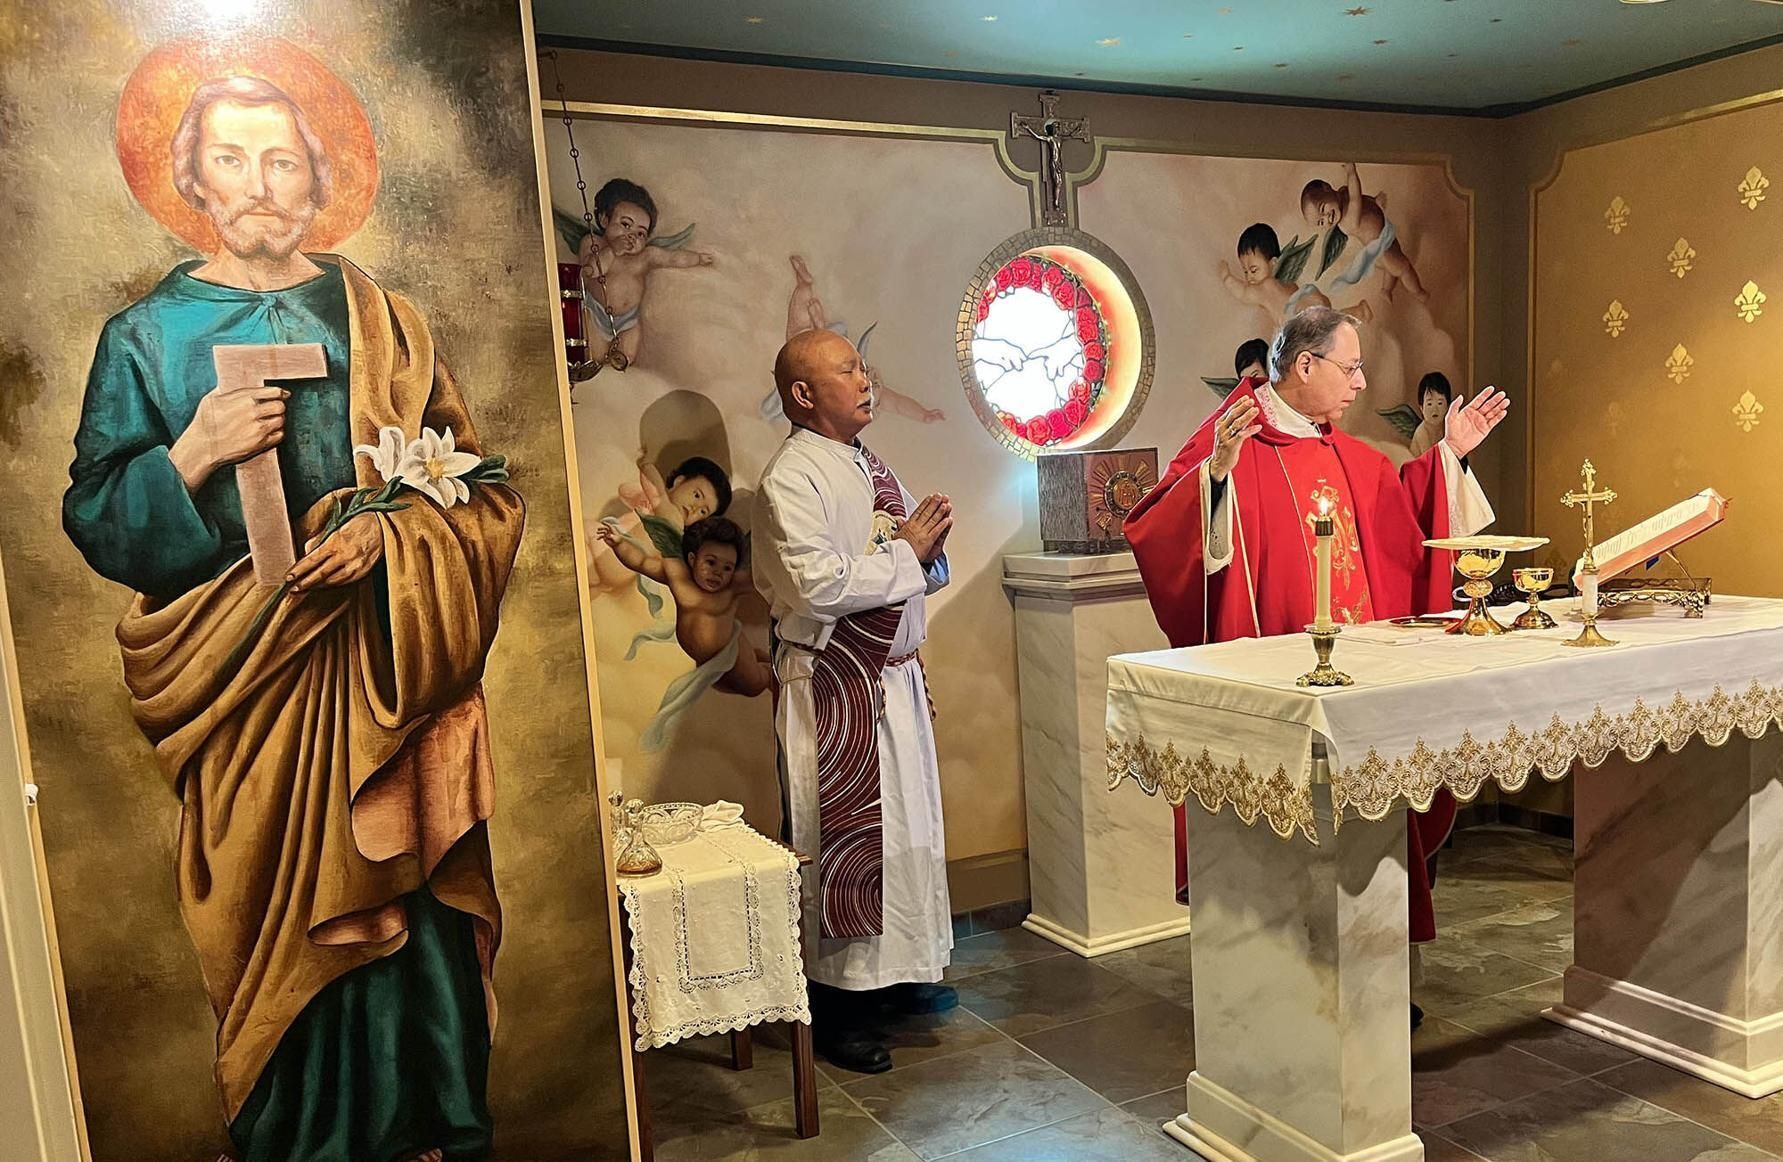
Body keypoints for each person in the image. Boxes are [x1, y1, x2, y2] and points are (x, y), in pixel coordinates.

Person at [63, 75, 520, 1157]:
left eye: (282, 161)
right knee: (278, 929)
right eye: (231, 160)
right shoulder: (143, 335)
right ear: (189, 181)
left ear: (321, 176)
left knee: (408, 920)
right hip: (241, 686)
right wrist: (194, 450)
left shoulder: (387, 319)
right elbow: (95, 514)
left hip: (383, 674)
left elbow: (481, 487)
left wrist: (395, 533)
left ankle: (429, 1129)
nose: (259, 186)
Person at [1123, 307, 1508, 1029]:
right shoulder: (1231, 436)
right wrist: (1217, 480)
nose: (1361, 384)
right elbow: (1156, 527)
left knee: (1369, 832)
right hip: (1277, 697)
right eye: (1350, 367)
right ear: (1303, 366)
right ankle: (1278, 989)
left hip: (1360, 694)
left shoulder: (1351, 456)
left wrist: (1448, 457)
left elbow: (1408, 529)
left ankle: (1372, 984)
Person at [752, 327, 955, 1073]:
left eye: (862, 365)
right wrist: (909, 551)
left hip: (889, 680)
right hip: (836, 684)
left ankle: (894, 974)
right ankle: (838, 1005)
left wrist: (924, 554)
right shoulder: (790, 479)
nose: (865, 378)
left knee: (901, 835)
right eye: (847, 370)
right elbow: (817, 586)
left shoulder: (867, 462)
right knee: (840, 841)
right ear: (804, 394)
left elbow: (910, 559)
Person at [596, 514, 773, 697]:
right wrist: (618, 544)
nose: (717, 572)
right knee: (724, 684)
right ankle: (758, 655)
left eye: (727, 568)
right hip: (707, 660)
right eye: (710, 562)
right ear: (692, 559)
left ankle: (770, 675)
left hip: (731, 652)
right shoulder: (678, 576)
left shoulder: (733, 586)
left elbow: (767, 578)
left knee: (754, 685)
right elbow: (641, 562)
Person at [573, 176, 715, 376]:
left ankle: (620, 365)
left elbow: (672, 258)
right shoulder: (593, 243)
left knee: (627, 353)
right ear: (605, 220)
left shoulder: (646, 256)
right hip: (596, 313)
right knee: (595, 355)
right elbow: (591, 270)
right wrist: (613, 250)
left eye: (640, 234)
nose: (631, 236)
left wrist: (699, 259)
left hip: (628, 319)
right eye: (625, 225)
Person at [587, 451, 732, 593]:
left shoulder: (671, 515)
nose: (695, 508)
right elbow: (624, 491)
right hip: (621, 573)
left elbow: (652, 483)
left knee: (587, 527)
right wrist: (643, 501)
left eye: (703, 512)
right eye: (696, 495)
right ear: (679, 481)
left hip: (616, 557)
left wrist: (645, 462)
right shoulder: (666, 523)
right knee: (589, 582)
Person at [1302, 161, 1428, 303]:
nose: (1327, 218)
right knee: (1403, 268)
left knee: (1392, 266)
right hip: (1380, 248)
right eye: (1321, 222)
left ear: (1327, 188)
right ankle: (1419, 292)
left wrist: (1374, 200)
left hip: (1385, 234)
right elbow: (1356, 200)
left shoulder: (1344, 192)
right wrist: (1351, 173)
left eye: (1323, 209)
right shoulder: (1345, 223)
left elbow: (1361, 199)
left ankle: (1386, 290)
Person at [1409, 371, 1455, 458]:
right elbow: (1429, 461)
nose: (1435, 409)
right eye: (1429, 404)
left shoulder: (1448, 428)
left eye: (1440, 403)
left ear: (1448, 406)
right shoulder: (1422, 433)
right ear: (1421, 408)